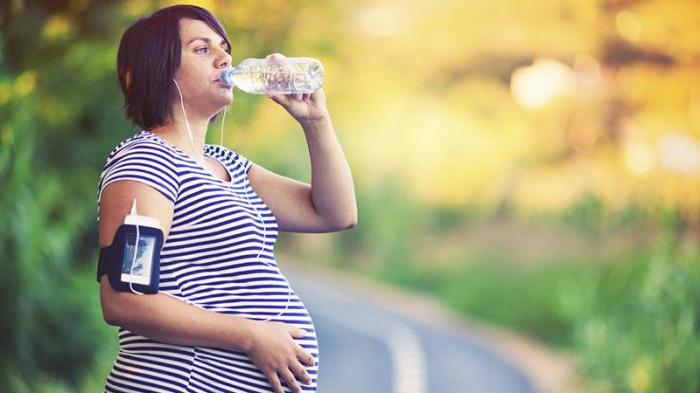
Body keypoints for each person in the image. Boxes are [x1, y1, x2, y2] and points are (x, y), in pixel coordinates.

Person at [96, 4, 357, 393]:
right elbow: (125, 299)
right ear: (160, 69)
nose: (225, 58)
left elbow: (335, 213)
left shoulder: (226, 164)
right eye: (202, 49)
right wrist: (251, 336)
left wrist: (316, 121)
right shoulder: (147, 162)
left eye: (224, 47)